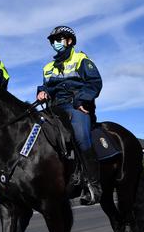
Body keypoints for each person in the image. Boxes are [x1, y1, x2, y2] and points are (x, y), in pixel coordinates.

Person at [36, 26, 103, 205]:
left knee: (81, 136)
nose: (55, 43)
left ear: (69, 41)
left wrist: (82, 101)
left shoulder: (81, 59)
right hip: (53, 108)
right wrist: (42, 92)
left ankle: (93, 185)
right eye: (53, 40)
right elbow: (47, 87)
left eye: (59, 39)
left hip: (75, 105)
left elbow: (94, 82)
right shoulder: (48, 67)